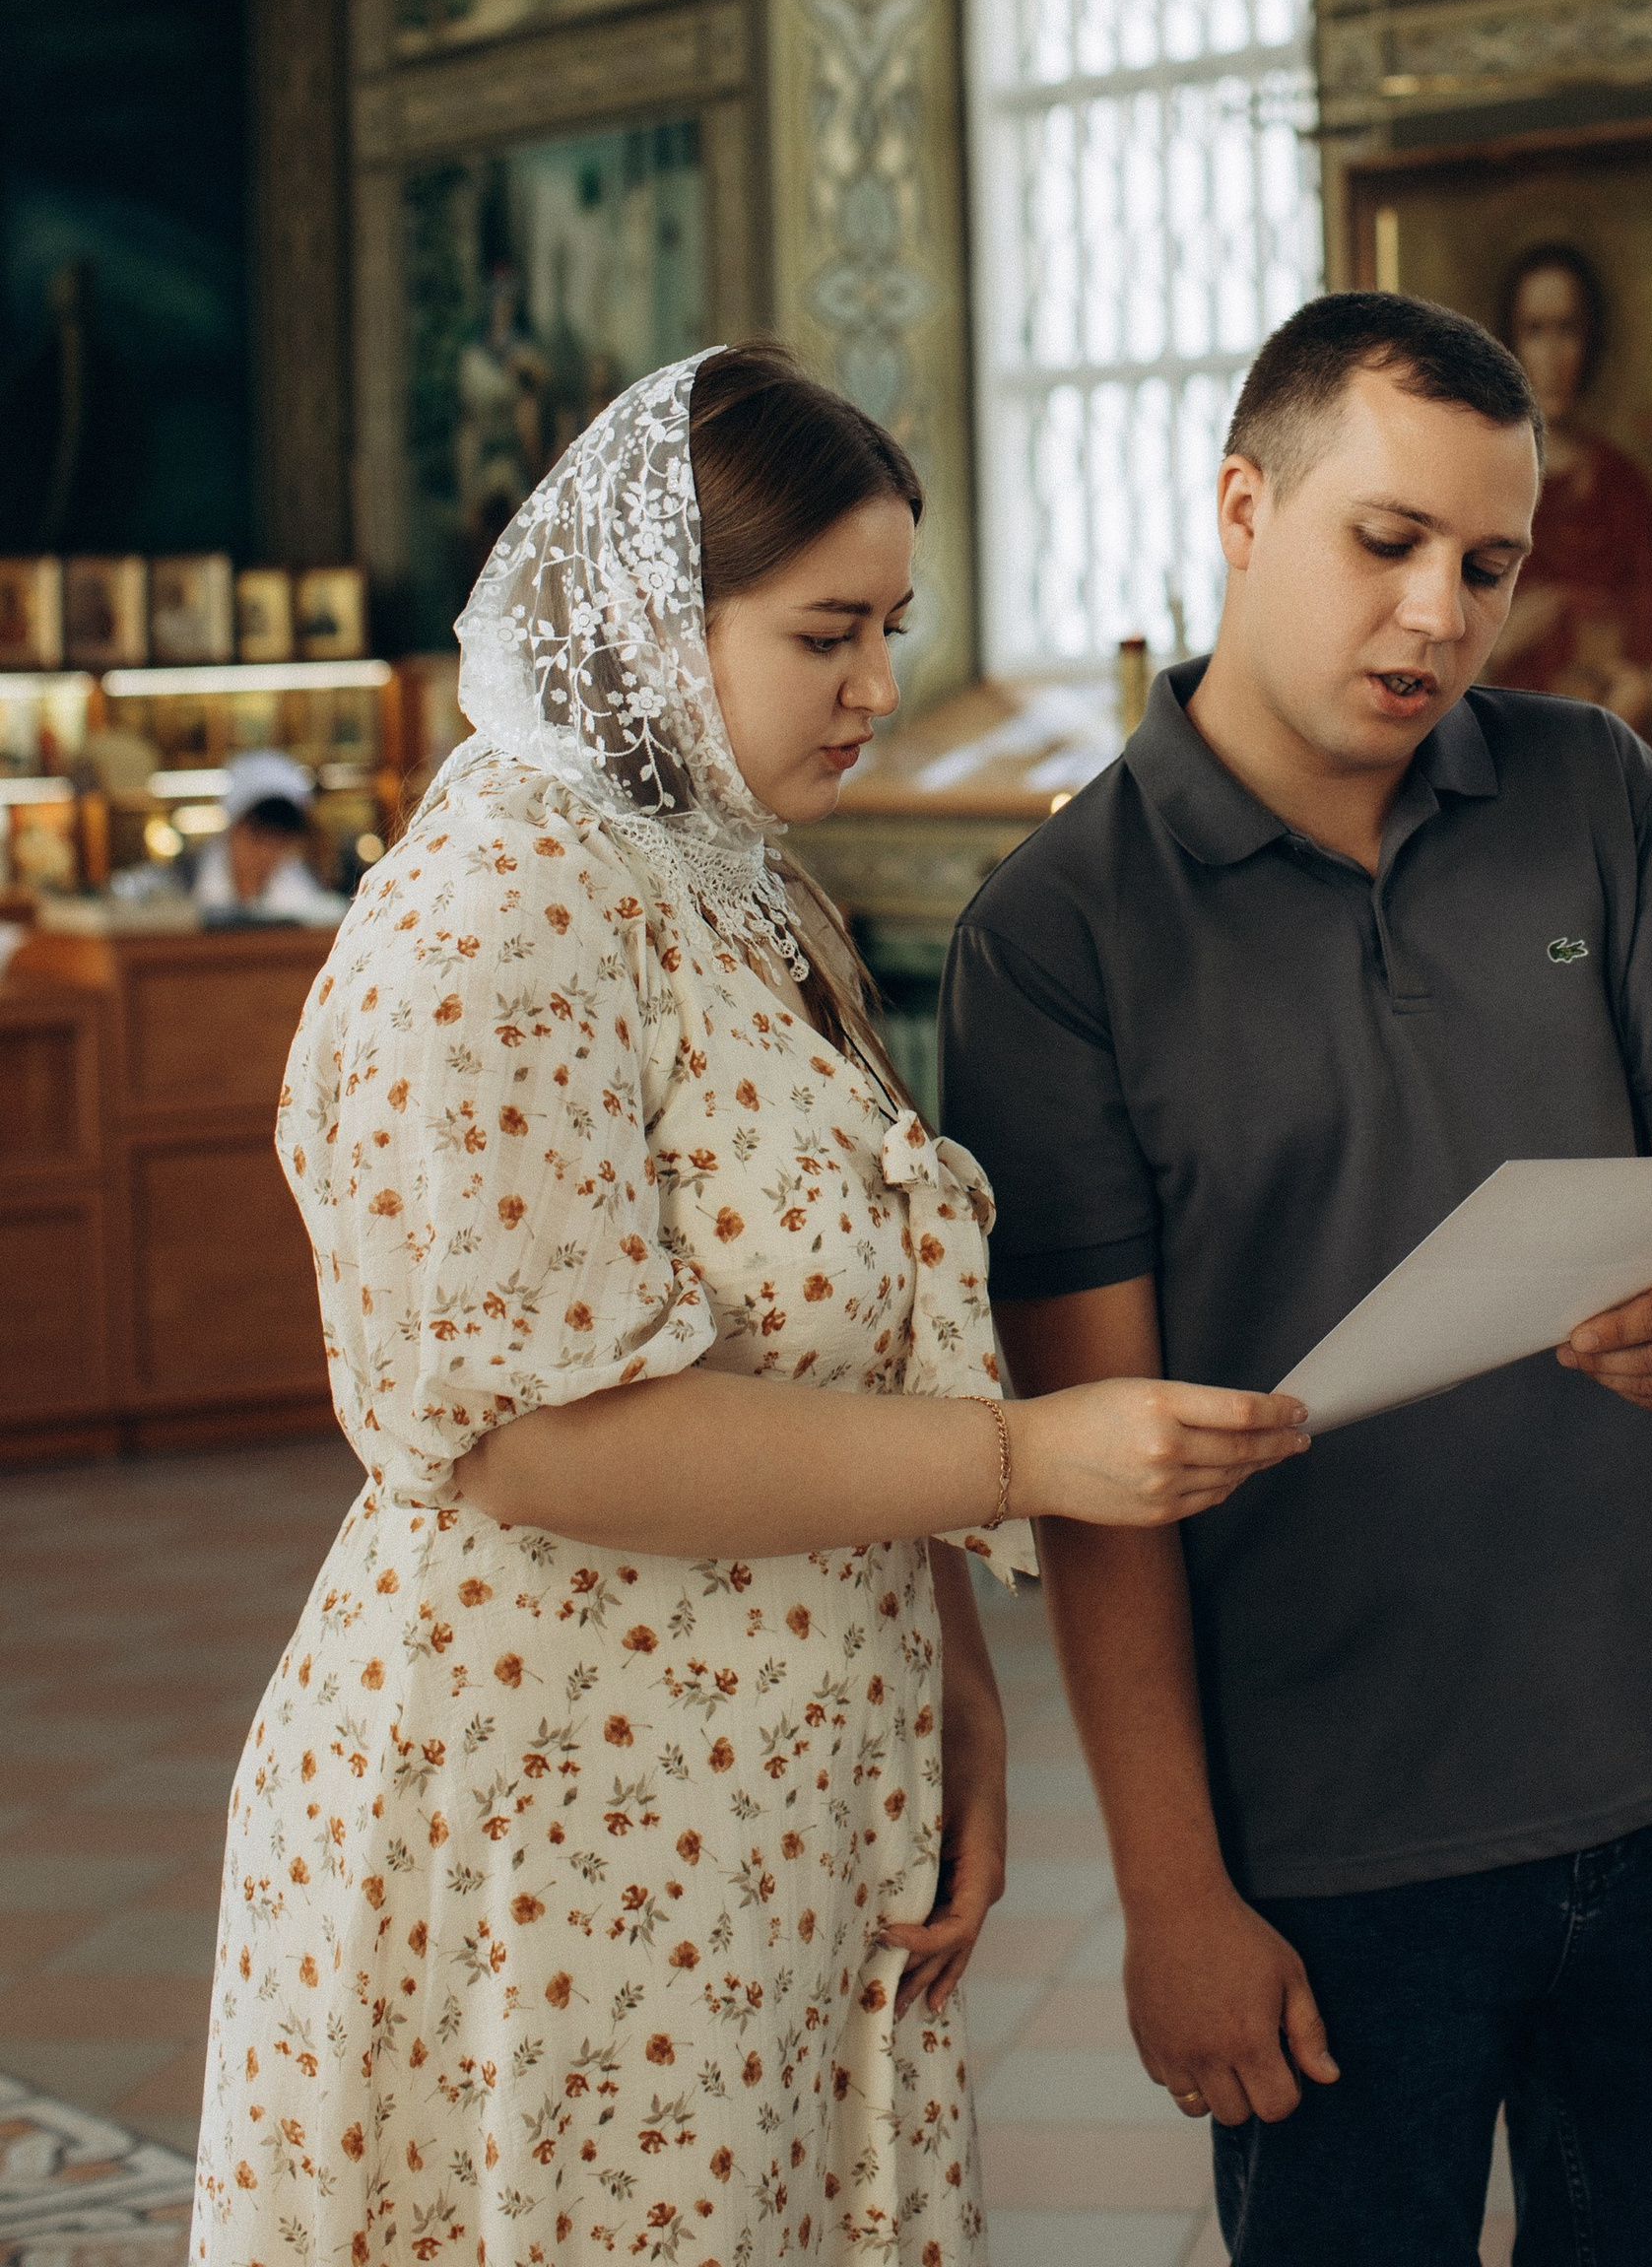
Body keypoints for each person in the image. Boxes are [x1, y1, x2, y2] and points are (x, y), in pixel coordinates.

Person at [193, 343, 1303, 2267]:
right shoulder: (497, 908)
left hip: (768, 1809)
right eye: (826, 635)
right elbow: (539, 1437)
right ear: (649, 621)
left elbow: (851, 1339)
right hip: (558, 1820)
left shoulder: (735, 882)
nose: (877, 687)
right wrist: (1032, 1456)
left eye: (892, 630)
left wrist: (952, 1685)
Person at [941, 292, 1652, 2267]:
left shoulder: (1592, 790)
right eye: (1388, 541)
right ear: (1243, 508)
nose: (1440, 613)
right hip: (1326, 1847)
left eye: (1488, 566)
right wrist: (1172, 1894)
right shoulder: (1055, 936)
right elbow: (1093, 1478)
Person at [1488, 239, 1652, 837]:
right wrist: (1496, 648)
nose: (1552, 355)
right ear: (1510, 345)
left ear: (1591, 342)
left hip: (1606, 786)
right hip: (1503, 791)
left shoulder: (1622, 488)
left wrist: (1646, 690)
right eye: (1535, 330)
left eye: (1568, 329)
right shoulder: (1478, 488)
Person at [189, 748, 344, 926]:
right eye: (257, 837)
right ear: (233, 830)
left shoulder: (308, 907)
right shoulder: (183, 891)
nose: (266, 853)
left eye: (279, 840)